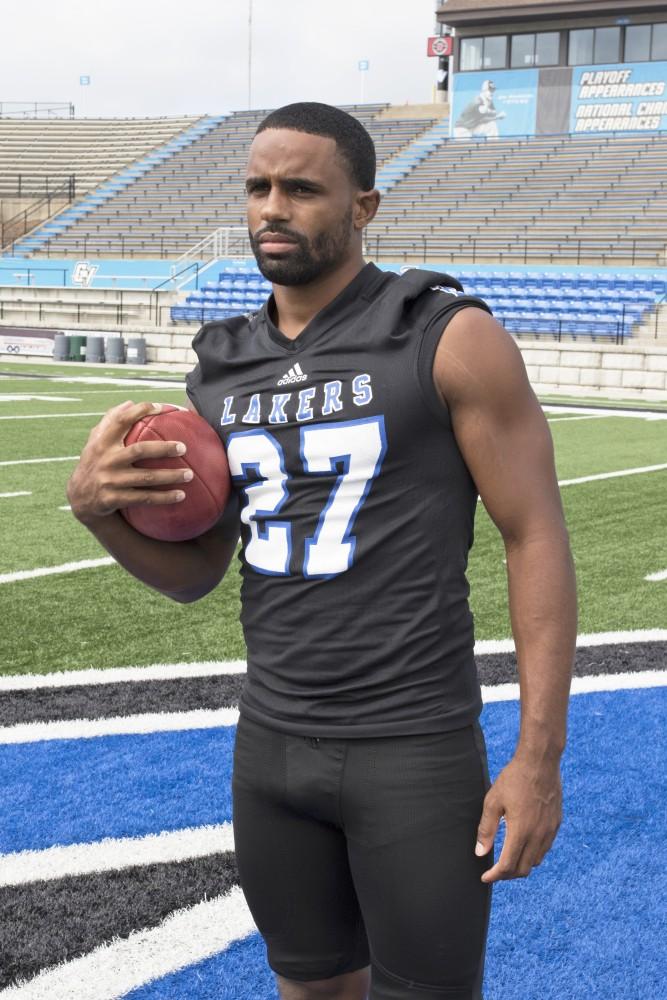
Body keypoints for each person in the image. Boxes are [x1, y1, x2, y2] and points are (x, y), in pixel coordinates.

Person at [67, 102, 576, 1000]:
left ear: (364, 206)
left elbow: (533, 535)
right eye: (258, 187)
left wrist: (537, 758)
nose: (272, 207)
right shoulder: (219, 367)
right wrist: (97, 513)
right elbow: (196, 577)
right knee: (306, 987)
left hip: (411, 746)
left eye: (301, 189)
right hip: (270, 742)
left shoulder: (444, 334)